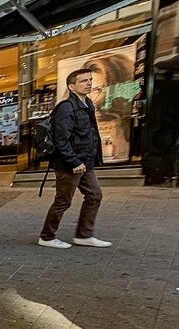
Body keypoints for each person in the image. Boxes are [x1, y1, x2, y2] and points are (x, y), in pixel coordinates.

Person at [38, 68, 111, 249]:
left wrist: (89, 159)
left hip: (85, 161)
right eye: (83, 81)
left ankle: (84, 235)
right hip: (69, 164)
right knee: (63, 201)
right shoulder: (67, 108)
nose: (88, 84)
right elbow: (61, 139)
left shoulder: (88, 105)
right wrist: (73, 161)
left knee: (94, 195)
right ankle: (47, 236)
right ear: (71, 86)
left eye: (89, 80)